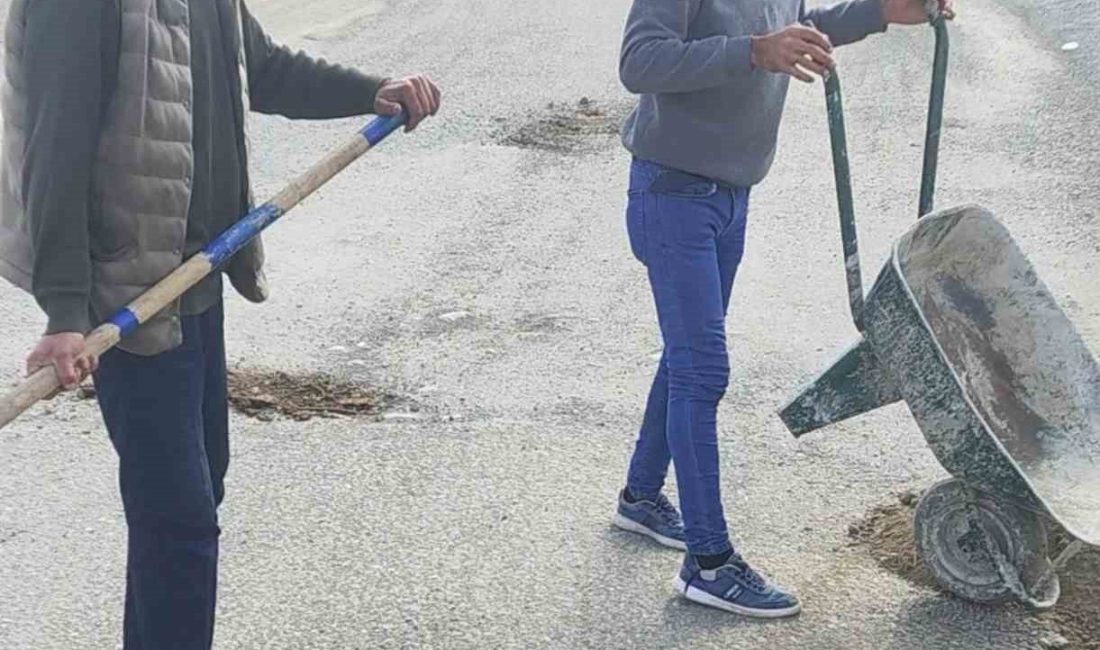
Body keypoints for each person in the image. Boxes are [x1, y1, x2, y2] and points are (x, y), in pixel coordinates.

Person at [0, 1, 440, 647]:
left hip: (198, 278)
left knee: (199, 494)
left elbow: (259, 67)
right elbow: (54, 139)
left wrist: (369, 91)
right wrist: (65, 310)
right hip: (131, 294)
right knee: (178, 521)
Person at [611, 0, 953, 618]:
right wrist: (752, 51)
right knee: (702, 370)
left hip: (730, 194)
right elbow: (638, 61)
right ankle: (708, 565)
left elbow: (796, 27)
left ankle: (640, 497)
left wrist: (882, 12)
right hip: (673, 193)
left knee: (687, 356)